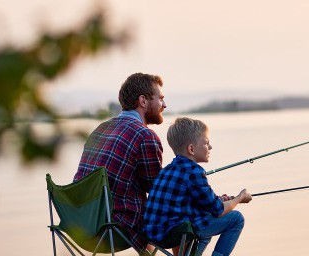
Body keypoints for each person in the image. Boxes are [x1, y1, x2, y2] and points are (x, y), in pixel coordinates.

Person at [74, 73, 166, 253]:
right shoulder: (145, 135)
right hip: (113, 228)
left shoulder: (100, 128)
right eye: (160, 99)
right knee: (183, 215)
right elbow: (158, 192)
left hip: (81, 224)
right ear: (143, 101)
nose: (164, 104)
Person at [143, 117, 252, 256]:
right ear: (191, 149)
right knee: (236, 218)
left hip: (154, 234)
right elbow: (218, 210)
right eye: (206, 143)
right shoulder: (195, 171)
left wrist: (220, 199)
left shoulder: (167, 170)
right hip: (176, 233)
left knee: (206, 216)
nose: (210, 147)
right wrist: (239, 197)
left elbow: (191, 199)